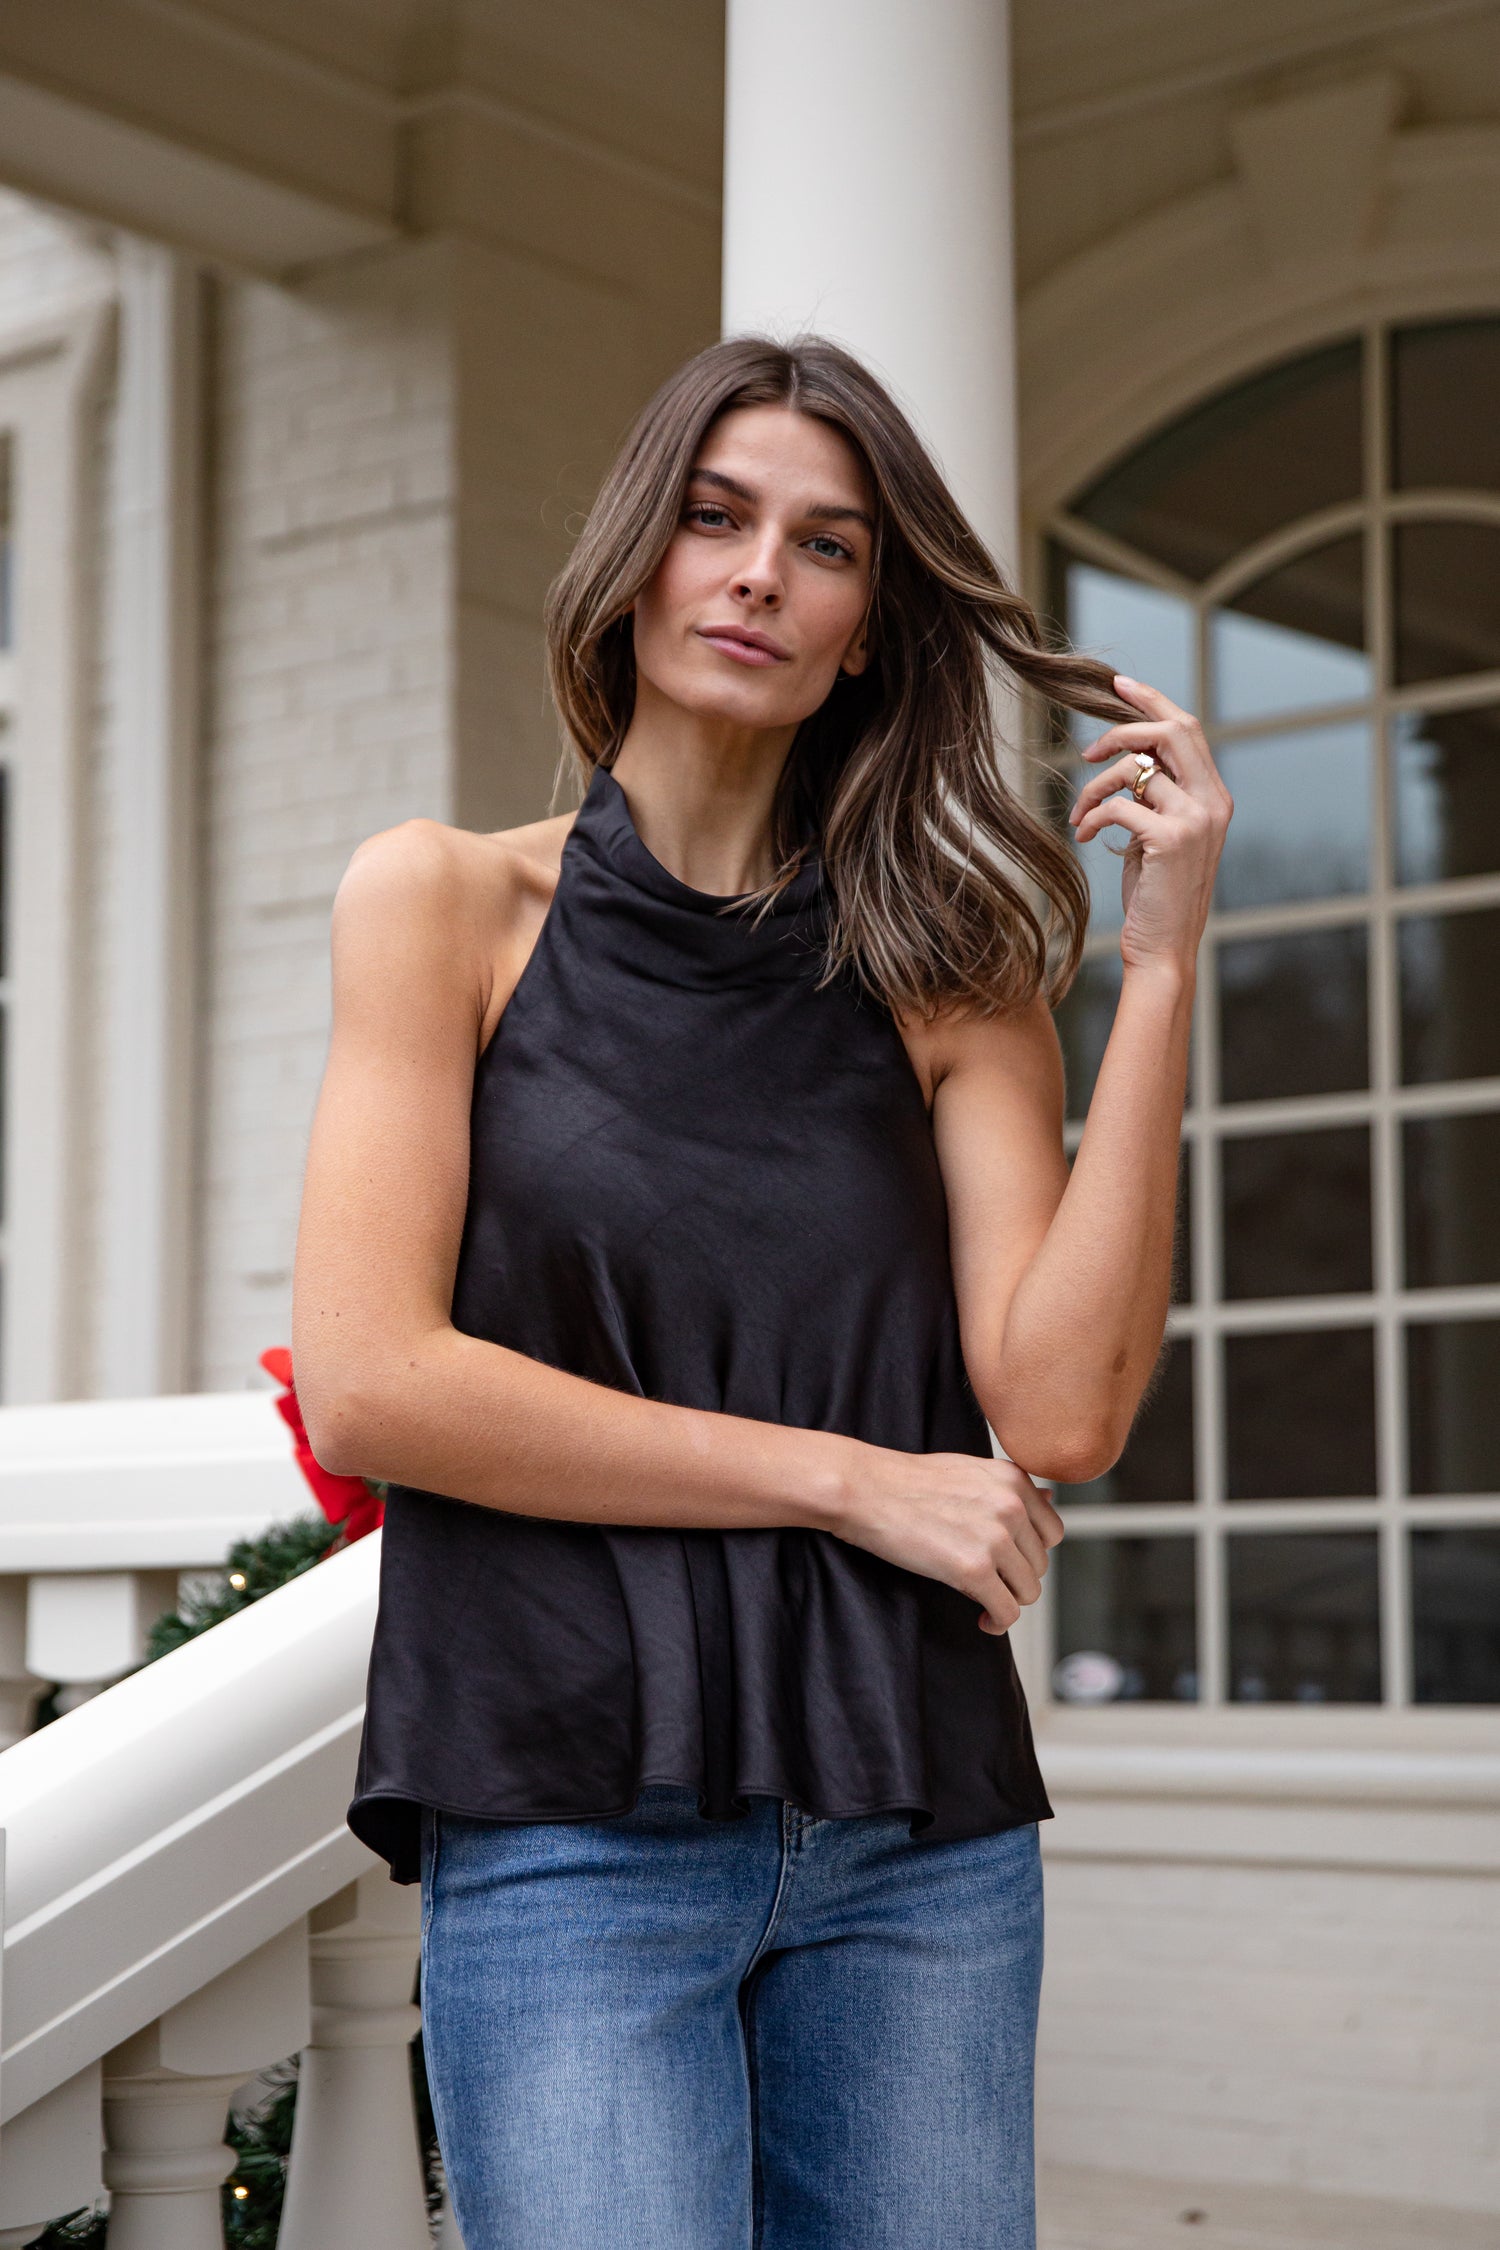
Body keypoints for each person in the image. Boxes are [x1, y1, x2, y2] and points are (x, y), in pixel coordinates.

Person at [291, 334, 1232, 2250]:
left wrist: (1164, 964)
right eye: (715, 519)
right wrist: (855, 1477)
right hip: (570, 1820)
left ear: (870, 627)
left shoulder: (946, 976)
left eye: (826, 547)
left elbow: (1059, 1412)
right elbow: (379, 1379)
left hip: (917, 1837)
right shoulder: (446, 906)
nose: (756, 576)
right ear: (637, 559)